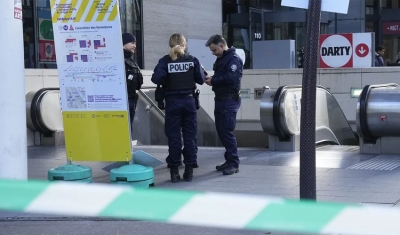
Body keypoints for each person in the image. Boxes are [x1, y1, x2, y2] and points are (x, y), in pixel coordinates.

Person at [151, 33, 205, 183]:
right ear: (185, 45)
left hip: (173, 103)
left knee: (174, 137)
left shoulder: (165, 61)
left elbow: (155, 78)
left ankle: (174, 172)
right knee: (189, 137)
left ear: (170, 44)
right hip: (189, 102)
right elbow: (201, 79)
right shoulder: (192, 60)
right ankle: (189, 171)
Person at [205, 34, 242, 176]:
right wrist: (213, 79)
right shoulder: (222, 59)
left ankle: (234, 163)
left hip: (229, 99)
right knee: (221, 130)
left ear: (222, 45)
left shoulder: (233, 60)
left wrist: (214, 81)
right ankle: (229, 159)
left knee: (227, 131)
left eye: (214, 50)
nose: (213, 53)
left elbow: (231, 78)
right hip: (221, 98)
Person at [122, 33, 143, 136]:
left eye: (135, 43)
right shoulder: (119, 60)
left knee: (128, 131)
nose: (135, 46)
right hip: (120, 102)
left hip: (131, 101)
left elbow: (139, 83)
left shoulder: (132, 62)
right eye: (132, 43)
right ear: (123, 44)